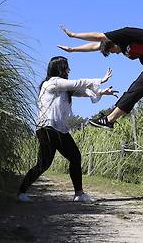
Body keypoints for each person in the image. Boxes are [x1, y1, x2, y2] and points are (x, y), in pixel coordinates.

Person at [17, 56, 118, 203]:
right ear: (59, 68)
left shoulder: (63, 88)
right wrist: (100, 80)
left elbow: (82, 91)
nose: (69, 70)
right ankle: (21, 192)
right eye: (66, 67)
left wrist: (101, 92)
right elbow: (78, 83)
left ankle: (79, 194)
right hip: (48, 128)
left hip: (59, 130)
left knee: (75, 157)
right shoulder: (51, 83)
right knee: (44, 163)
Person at [58, 26, 143, 130]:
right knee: (136, 88)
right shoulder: (118, 45)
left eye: (112, 50)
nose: (115, 53)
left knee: (137, 88)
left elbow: (98, 37)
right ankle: (110, 119)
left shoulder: (125, 34)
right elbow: (96, 45)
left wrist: (74, 35)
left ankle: (109, 120)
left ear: (114, 42)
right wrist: (73, 50)